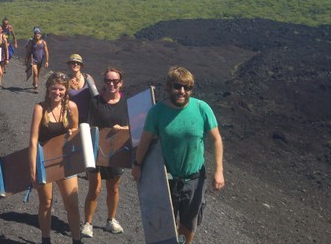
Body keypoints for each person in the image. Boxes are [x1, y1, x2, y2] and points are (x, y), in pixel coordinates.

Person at [131, 67, 225, 244]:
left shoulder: (202, 108)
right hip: (166, 180)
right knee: (166, 222)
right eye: (177, 86)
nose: (182, 91)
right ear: (168, 86)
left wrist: (218, 170)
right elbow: (145, 141)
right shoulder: (157, 112)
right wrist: (137, 165)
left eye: (187, 87)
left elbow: (216, 140)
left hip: (194, 179)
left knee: (189, 223)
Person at [29, 72, 84, 244]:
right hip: (44, 161)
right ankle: (46, 239)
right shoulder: (40, 108)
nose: (57, 92)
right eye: (54, 88)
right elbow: (33, 140)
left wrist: (72, 132)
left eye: (61, 89)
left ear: (66, 90)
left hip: (65, 161)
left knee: (72, 204)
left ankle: (77, 239)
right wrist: (33, 172)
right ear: (48, 89)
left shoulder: (72, 108)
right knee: (46, 203)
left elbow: (76, 131)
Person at [82, 67, 129, 237]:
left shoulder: (126, 103)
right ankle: (87, 223)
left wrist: (124, 128)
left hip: (117, 151)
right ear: (104, 82)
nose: (111, 84)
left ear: (120, 83)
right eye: (108, 80)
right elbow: (87, 123)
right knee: (95, 188)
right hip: (96, 149)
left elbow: (135, 126)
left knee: (114, 187)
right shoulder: (95, 101)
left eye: (115, 81)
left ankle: (111, 220)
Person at [66, 54, 98, 126]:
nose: (76, 64)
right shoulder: (65, 81)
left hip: (88, 117)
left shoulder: (88, 78)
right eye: (73, 62)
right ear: (69, 65)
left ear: (81, 65)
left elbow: (96, 96)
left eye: (78, 63)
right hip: (72, 117)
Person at [24, 27, 49, 91]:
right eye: (36, 34)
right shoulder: (31, 42)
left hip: (40, 60)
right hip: (33, 59)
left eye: (38, 34)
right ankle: (36, 86)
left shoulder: (43, 42)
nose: (37, 36)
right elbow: (27, 51)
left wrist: (46, 61)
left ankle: (34, 82)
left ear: (40, 35)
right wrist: (26, 59)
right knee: (35, 73)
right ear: (34, 35)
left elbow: (46, 52)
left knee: (37, 73)